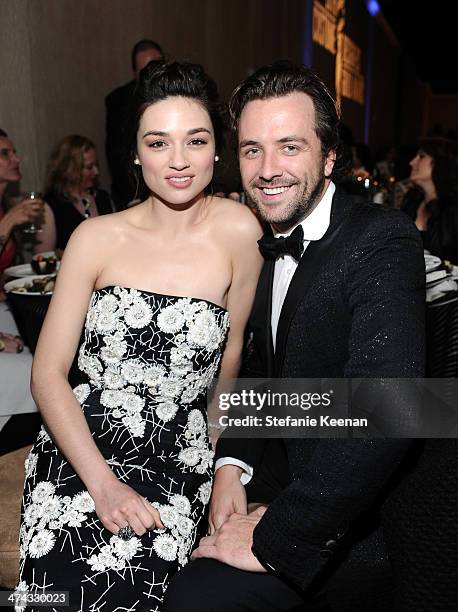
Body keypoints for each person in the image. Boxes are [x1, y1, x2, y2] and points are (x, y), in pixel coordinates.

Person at [164, 62, 425, 611]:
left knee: (190, 600)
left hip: (340, 527)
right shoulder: (256, 238)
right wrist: (230, 466)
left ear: (330, 156)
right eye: (252, 149)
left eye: (289, 147)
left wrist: (277, 536)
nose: (266, 169)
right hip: (264, 483)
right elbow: (260, 369)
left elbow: (392, 408)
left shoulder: (379, 239)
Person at [16, 61, 263, 610]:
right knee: (70, 586)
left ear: (216, 150)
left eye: (195, 141)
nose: (178, 161)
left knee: (147, 589)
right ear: (134, 152)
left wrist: (227, 469)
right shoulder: (94, 237)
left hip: (180, 454)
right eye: (158, 142)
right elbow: (47, 374)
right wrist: (103, 487)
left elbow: (231, 366)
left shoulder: (240, 232)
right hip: (82, 448)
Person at [105, 39, 165, 210]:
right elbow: (117, 154)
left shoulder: (178, 94)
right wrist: (134, 195)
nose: (152, 73)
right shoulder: (118, 101)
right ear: (135, 74)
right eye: (146, 70)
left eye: (158, 65)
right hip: (135, 192)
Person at [0, 129, 41, 353]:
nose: (16, 159)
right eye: (5, 154)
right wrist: (8, 222)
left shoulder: (5, 204)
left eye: (14, 152)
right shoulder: (8, 214)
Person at [40, 135, 113, 250]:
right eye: (89, 167)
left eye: (96, 165)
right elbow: (43, 257)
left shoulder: (102, 197)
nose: (96, 172)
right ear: (69, 168)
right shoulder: (51, 205)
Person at [402, 137, 458, 263]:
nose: (412, 162)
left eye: (421, 156)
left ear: (441, 163)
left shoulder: (453, 209)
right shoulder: (412, 199)